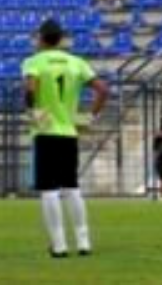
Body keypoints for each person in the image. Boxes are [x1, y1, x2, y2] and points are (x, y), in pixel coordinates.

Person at [23, 18, 109, 257]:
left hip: (46, 130)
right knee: (72, 187)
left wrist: (32, 112)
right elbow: (103, 90)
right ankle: (84, 242)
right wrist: (90, 117)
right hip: (69, 131)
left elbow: (30, 89)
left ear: (41, 39)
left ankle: (59, 245)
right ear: (61, 39)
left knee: (49, 190)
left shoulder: (34, 61)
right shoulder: (76, 62)